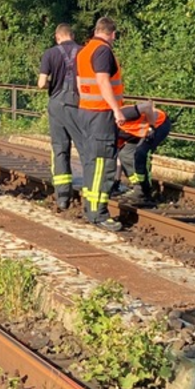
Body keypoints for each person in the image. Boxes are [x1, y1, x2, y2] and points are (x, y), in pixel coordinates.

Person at [75, 16, 125, 232]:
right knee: (102, 164)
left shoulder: (84, 51)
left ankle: (91, 207)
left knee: (90, 162)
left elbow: (79, 83)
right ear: (112, 33)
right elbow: (103, 81)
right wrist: (116, 110)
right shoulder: (103, 51)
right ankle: (98, 213)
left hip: (85, 112)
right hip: (101, 114)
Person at [37, 23, 84, 210]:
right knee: (83, 148)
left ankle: (63, 196)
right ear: (72, 35)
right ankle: (91, 194)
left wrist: (53, 85)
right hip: (78, 104)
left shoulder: (50, 54)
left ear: (57, 37)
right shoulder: (83, 52)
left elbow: (41, 83)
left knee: (60, 149)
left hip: (56, 105)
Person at [115, 102, 172, 205]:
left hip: (158, 124)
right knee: (124, 155)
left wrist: (151, 127)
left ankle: (146, 190)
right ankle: (138, 187)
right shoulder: (112, 135)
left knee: (141, 153)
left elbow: (148, 106)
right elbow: (118, 158)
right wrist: (116, 182)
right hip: (138, 133)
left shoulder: (122, 114)